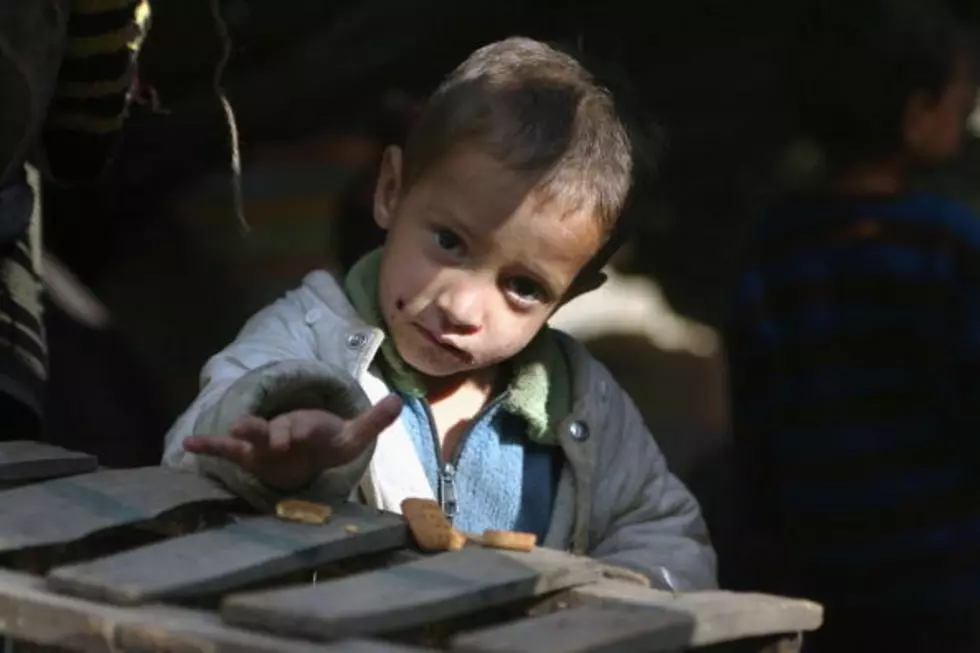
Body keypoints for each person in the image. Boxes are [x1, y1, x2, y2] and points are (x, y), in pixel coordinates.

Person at [162, 36, 717, 591]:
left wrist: (605, 609)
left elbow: (663, 535)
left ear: (571, 294)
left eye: (523, 287)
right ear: (390, 191)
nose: (460, 307)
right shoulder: (307, 340)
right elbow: (193, 455)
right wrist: (273, 459)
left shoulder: (582, 403)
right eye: (449, 242)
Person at [727, 1, 980, 650]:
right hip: (948, 576)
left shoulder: (775, 247)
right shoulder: (949, 244)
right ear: (919, 115)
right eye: (962, 97)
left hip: (817, 575)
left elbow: (755, 417)